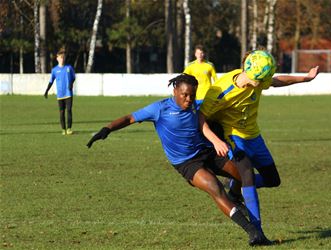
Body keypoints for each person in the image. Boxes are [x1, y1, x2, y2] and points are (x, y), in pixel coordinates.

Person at [86, 74, 272, 246]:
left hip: (207, 152)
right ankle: (252, 232)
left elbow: (211, 116)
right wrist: (107, 129)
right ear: (175, 91)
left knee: (243, 174)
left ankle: (235, 196)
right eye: (184, 95)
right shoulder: (159, 109)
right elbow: (129, 118)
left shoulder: (195, 106)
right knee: (215, 187)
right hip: (187, 163)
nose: (188, 99)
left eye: (192, 95)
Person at [199, 50, 319, 236]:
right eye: (262, 79)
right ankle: (257, 231)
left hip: (254, 136)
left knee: (273, 180)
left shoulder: (257, 79)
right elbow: (200, 118)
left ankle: (235, 189)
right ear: (250, 72)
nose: (264, 83)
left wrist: (306, 78)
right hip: (233, 137)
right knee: (247, 174)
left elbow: (277, 81)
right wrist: (215, 141)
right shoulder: (221, 92)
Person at [44, 49, 76, 135]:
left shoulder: (69, 67)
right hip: (60, 94)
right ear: (57, 58)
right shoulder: (54, 70)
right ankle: (63, 129)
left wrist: (71, 84)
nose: (62, 59)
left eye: (63, 57)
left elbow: (73, 77)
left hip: (68, 93)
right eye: (61, 57)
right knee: (61, 112)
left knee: (69, 110)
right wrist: (47, 91)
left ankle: (69, 129)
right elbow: (51, 81)